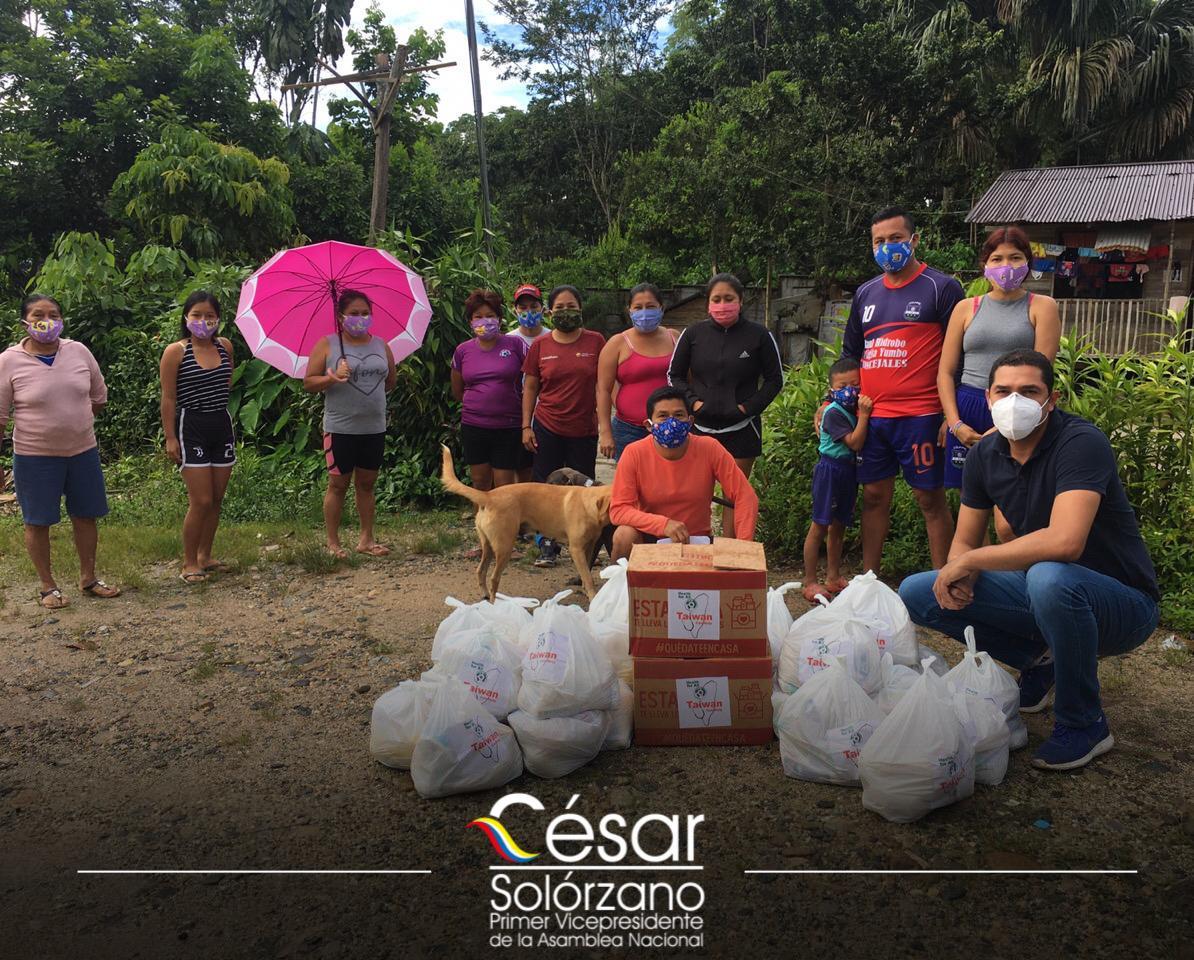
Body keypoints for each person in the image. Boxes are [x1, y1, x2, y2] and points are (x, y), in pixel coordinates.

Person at [899, 349, 1160, 771]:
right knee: (919, 592)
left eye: (1028, 391)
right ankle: (1041, 660)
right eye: (1003, 391)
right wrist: (959, 572)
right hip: (1048, 592)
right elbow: (964, 541)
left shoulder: (1080, 443)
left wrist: (975, 560)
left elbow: (1065, 542)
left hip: (1123, 605)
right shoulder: (986, 454)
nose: (1014, 401)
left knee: (1050, 577)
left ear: (1051, 399)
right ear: (987, 398)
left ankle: (1084, 723)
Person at [840, 206, 965, 573]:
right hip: (872, 416)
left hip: (922, 416)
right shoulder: (865, 293)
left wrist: (950, 415)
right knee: (874, 497)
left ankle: (945, 581)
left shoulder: (941, 288)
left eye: (895, 239)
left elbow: (959, 354)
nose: (887, 247)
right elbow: (851, 354)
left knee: (930, 500)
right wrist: (834, 403)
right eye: (879, 241)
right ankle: (869, 581)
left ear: (914, 240)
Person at [0, 294, 121, 608]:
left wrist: (73, 422)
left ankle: (89, 578)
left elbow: (99, 396)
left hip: (83, 451)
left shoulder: (78, 351)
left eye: (53, 314)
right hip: (33, 456)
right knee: (37, 521)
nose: (47, 320)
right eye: (39, 314)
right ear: (24, 322)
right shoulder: (8, 361)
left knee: (86, 515)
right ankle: (47, 587)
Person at [939, 225, 1060, 491]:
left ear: (1027, 262)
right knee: (971, 498)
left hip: (1019, 407)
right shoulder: (965, 308)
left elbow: (1042, 373)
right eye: (997, 258)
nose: (1006, 265)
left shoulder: (1042, 306)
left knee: (1012, 504)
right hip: (968, 407)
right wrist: (954, 422)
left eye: (1015, 257)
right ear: (985, 264)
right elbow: (946, 372)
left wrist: (1007, 424)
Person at [667, 272, 783, 537]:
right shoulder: (693, 334)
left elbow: (775, 380)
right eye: (716, 299)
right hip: (700, 429)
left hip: (742, 428)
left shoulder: (759, 336)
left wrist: (747, 408)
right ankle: (695, 548)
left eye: (728, 298)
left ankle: (730, 554)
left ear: (740, 301)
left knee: (735, 493)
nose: (722, 304)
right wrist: (693, 404)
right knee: (694, 493)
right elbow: (674, 375)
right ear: (708, 303)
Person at [609, 386, 759, 559]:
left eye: (679, 415)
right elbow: (619, 510)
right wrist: (663, 524)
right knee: (623, 535)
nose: (671, 422)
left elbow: (745, 496)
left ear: (690, 421)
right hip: (650, 538)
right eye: (663, 416)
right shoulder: (634, 453)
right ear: (648, 425)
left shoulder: (709, 448)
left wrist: (745, 548)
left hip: (696, 541)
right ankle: (622, 584)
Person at [303, 289, 397, 559]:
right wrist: (332, 377)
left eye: (365, 313)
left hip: (373, 427)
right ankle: (333, 542)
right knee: (338, 485)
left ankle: (366, 539)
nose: (360, 318)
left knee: (367, 485)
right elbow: (309, 383)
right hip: (340, 428)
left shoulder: (381, 345)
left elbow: (390, 380)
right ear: (340, 316)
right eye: (354, 313)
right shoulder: (327, 345)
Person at [521, 285, 605, 567]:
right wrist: (526, 426)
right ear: (549, 312)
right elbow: (530, 388)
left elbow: (606, 385)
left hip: (584, 429)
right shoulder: (540, 346)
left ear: (581, 309)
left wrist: (607, 426)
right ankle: (547, 546)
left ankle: (587, 549)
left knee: (585, 491)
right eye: (559, 308)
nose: (565, 312)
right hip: (547, 426)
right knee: (546, 491)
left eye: (571, 306)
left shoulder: (596, 342)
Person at [159, 291, 237, 584]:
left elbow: (226, 383)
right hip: (190, 425)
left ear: (218, 319)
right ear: (186, 318)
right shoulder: (175, 351)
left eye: (209, 316)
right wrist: (170, 438)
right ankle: (189, 562)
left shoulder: (225, 347)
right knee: (201, 499)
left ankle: (206, 555)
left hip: (221, 423)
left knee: (217, 498)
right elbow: (168, 398)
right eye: (197, 315)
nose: (203, 321)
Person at [802, 358, 873, 602]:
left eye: (855, 384)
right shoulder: (833, 413)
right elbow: (854, 442)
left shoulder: (849, 410)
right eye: (842, 386)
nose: (849, 391)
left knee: (839, 525)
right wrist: (864, 415)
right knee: (819, 525)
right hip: (830, 471)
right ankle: (810, 581)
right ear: (831, 389)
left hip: (847, 472)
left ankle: (833, 577)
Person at [451, 289, 528, 491]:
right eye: (478, 317)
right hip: (474, 426)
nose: (484, 321)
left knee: (505, 485)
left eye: (490, 316)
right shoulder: (462, 351)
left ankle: (506, 524)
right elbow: (458, 391)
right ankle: (481, 523)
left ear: (500, 318)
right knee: (480, 482)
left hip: (508, 426)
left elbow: (530, 382)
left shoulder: (515, 345)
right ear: (470, 321)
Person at [597, 282, 678, 462]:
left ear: (661, 308)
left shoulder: (675, 337)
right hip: (629, 430)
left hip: (669, 427)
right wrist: (605, 432)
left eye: (650, 307)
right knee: (631, 485)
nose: (644, 312)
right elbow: (603, 389)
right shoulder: (617, 344)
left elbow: (688, 380)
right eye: (638, 307)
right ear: (629, 310)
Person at [508, 283, 548, 482]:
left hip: (547, 417)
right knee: (522, 470)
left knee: (546, 471)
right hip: (516, 416)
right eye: (522, 308)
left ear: (543, 307)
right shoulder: (507, 340)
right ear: (514, 310)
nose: (528, 311)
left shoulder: (552, 338)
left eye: (533, 306)